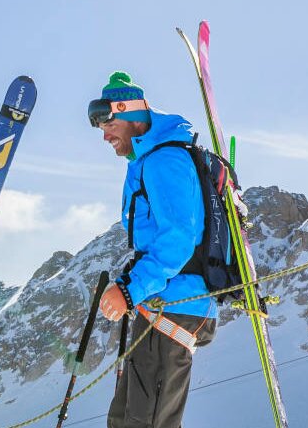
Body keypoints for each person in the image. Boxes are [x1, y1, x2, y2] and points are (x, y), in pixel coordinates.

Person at [86, 72, 218, 428]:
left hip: (176, 304)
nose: (105, 135)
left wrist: (130, 290)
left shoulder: (164, 161)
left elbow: (178, 240)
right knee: (126, 419)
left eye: (109, 124)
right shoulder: (148, 161)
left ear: (129, 114)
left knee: (146, 422)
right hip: (160, 303)